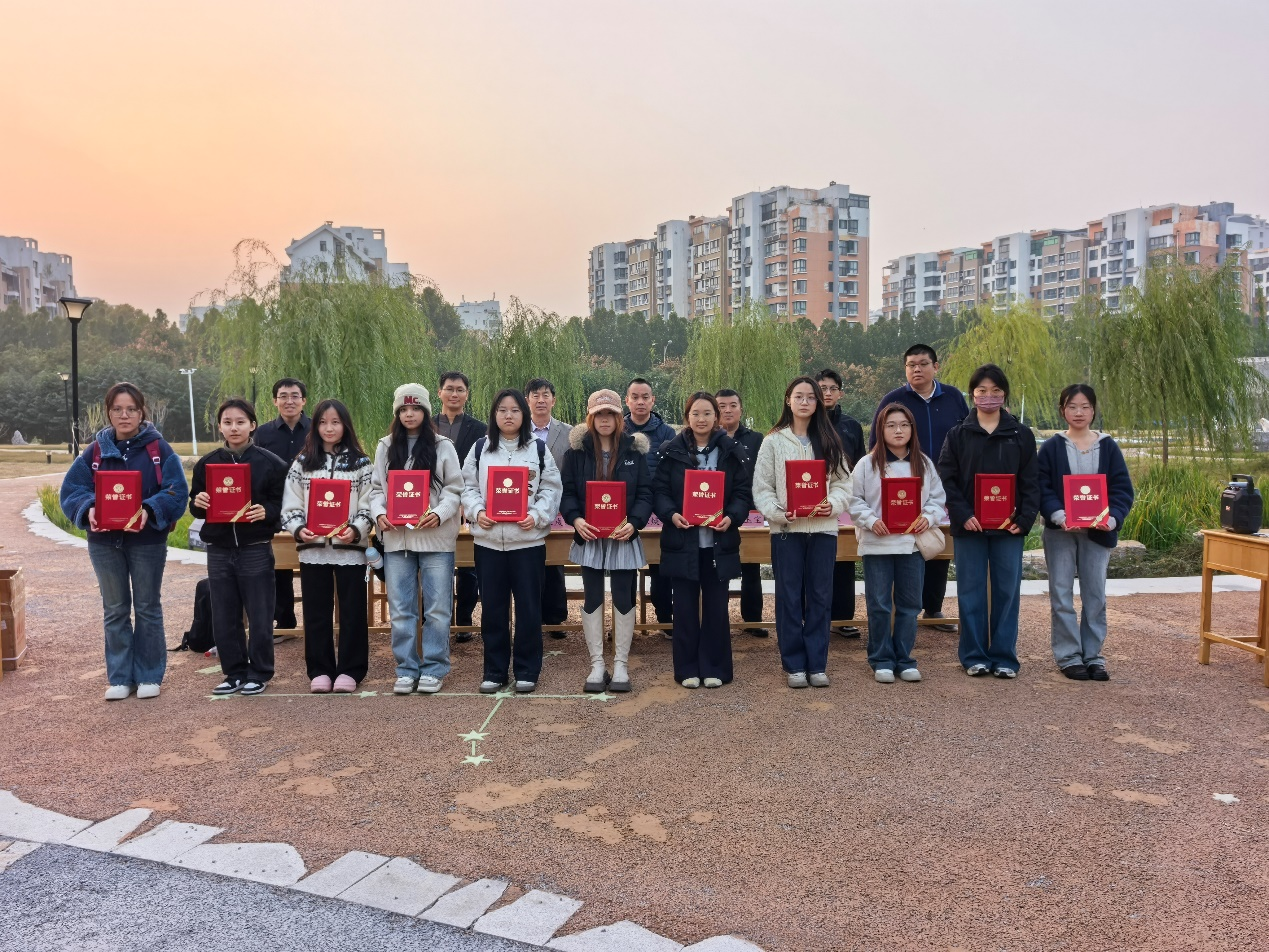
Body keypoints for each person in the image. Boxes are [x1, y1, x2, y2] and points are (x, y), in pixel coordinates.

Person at [59, 382, 188, 700]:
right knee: (115, 609)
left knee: (147, 607)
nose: (124, 415)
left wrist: (149, 509)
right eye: (117, 409)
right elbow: (72, 490)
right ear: (109, 413)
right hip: (104, 543)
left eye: (131, 409)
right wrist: (88, 508)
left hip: (147, 541)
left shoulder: (159, 450)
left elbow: (176, 490)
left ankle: (149, 675)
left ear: (141, 412)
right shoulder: (95, 451)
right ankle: (120, 677)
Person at [937, 364, 1040, 679]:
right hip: (970, 528)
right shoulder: (958, 434)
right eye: (982, 390)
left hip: (1009, 529)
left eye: (995, 391)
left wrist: (1024, 519)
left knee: (1007, 591)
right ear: (973, 394)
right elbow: (946, 479)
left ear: (1004, 394)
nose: (989, 396)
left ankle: (1005, 657)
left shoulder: (1020, 435)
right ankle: (974, 655)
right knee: (971, 591)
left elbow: (1031, 482)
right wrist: (963, 514)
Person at [461, 388, 563, 694]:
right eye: (502, 410)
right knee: (492, 609)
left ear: (524, 414)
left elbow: (551, 488)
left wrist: (537, 515)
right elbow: (466, 487)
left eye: (515, 410)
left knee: (529, 610)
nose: (508, 415)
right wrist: (477, 512)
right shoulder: (480, 449)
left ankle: (527, 670)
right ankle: (494, 671)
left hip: (527, 543)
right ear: (494, 414)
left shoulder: (538, 449)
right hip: (489, 543)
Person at [752, 378, 850, 689]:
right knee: (789, 597)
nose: (805, 402)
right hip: (787, 531)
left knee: (820, 597)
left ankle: (817, 663)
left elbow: (843, 484)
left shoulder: (830, 440)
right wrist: (779, 512)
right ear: (788, 400)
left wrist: (833, 504)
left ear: (819, 402)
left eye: (811, 397)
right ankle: (794, 663)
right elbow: (762, 488)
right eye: (799, 396)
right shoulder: (773, 442)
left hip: (823, 530)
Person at [653, 391, 753, 689]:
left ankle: (715, 668)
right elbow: (659, 491)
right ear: (687, 417)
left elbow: (742, 492)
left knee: (716, 608)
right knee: (684, 609)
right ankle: (686, 669)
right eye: (695, 413)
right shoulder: (671, 450)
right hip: (682, 541)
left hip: (718, 542)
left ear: (716, 417)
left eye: (707, 413)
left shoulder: (731, 451)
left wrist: (732, 517)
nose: (701, 419)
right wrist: (671, 514)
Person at [189, 398, 289, 696]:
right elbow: (195, 504)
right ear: (220, 427)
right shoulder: (207, 463)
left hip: (254, 546)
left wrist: (267, 511)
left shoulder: (271, 463)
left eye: (240, 422)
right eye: (228, 422)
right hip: (219, 549)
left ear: (252, 426)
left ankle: (259, 672)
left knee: (260, 614)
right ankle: (234, 672)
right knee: (224, 614)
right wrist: (198, 502)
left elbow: (283, 505)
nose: (234, 428)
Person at [369, 384, 464, 695]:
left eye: (415, 408)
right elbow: (376, 490)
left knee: (437, 608)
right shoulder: (385, 446)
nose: (409, 414)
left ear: (425, 411)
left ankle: (434, 667)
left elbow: (455, 488)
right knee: (401, 608)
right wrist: (379, 514)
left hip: (435, 539)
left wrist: (440, 512)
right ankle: (406, 668)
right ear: (397, 413)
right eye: (403, 409)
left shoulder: (443, 446)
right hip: (398, 540)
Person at [1038, 384, 1135, 681]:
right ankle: (1069, 657)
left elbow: (1122, 489)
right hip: (1061, 532)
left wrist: (1113, 518)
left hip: (1097, 533)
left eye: (1084, 407)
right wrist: (1059, 515)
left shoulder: (1107, 446)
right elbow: (1041, 487)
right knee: (1061, 594)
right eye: (1071, 406)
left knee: (1095, 595)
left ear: (1093, 411)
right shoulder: (1052, 446)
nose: (1078, 412)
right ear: (1062, 411)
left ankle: (1093, 656)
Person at [869, 345, 968, 633]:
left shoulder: (953, 398)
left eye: (923, 363)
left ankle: (933, 607)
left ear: (936, 366)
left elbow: (965, 437)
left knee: (935, 540)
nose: (917, 369)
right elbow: (876, 442)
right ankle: (902, 607)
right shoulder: (893, 400)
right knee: (906, 542)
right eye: (911, 364)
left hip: (946, 482)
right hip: (902, 484)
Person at [560, 389, 654, 693]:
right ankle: (597, 664)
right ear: (590, 417)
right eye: (598, 414)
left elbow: (645, 494)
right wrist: (576, 519)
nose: (604, 420)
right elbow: (567, 492)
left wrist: (634, 523)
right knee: (592, 598)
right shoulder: (575, 453)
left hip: (623, 536)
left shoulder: (634, 451)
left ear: (618, 417)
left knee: (624, 598)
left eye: (610, 414)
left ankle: (621, 663)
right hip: (589, 536)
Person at [280, 399, 375, 693]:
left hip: (350, 550)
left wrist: (355, 529)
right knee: (316, 611)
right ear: (315, 425)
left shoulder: (361, 463)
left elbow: (369, 503)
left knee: (352, 611)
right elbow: (291, 503)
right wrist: (299, 528)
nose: (329, 428)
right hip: (313, 549)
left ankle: (350, 670)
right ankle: (320, 669)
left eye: (335, 422)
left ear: (345, 425)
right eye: (322, 422)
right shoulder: (303, 462)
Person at [849, 403, 947, 684]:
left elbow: (937, 499)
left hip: (911, 544)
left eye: (904, 425)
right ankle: (881, 658)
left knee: (910, 604)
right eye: (891, 425)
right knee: (879, 604)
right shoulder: (867, 464)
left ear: (912, 429)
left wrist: (928, 517)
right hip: (877, 544)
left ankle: (904, 659)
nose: (898, 430)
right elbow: (853, 499)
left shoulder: (923, 464)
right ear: (880, 430)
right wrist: (870, 520)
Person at [254, 378, 310, 634]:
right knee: (279, 566)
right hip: (276, 506)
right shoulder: (262, 433)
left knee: (313, 565)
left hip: (311, 507)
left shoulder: (316, 429)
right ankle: (285, 619)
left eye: (295, 396)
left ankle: (316, 620)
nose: (289, 401)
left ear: (303, 400)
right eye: (283, 396)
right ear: (275, 401)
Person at [436, 371, 487, 639]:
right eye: (449, 389)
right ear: (439, 393)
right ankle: (437, 621)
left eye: (459, 390)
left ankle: (464, 619)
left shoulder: (480, 429)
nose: (454, 394)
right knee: (437, 565)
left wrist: (469, 503)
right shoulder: (427, 426)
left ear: (467, 394)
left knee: (468, 567)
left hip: (467, 503)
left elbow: (481, 469)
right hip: (433, 504)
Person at [814, 368, 865, 638]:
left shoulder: (851, 426)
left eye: (832, 388)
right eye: (822, 388)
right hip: (810, 499)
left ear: (840, 393)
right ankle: (813, 617)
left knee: (843, 560)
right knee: (814, 561)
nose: (827, 393)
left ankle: (843, 617)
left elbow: (861, 463)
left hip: (844, 500)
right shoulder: (805, 423)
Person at [623, 377, 677, 631]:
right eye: (635, 397)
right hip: (626, 507)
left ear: (653, 400)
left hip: (658, 508)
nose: (640, 402)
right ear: (627, 401)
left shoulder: (667, 433)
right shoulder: (618, 430)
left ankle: (665, 617)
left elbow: (671, 473)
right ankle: (626, 623)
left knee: (660, 565)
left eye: (645, 397)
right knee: (625, 565)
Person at [716, 388, 765, 637]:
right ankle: (718, 618)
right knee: (718, 566)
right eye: (722, 406)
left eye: (732, 405)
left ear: (741, 409)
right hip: (715, 511)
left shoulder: (756, 439)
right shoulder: (707, 440)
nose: (727, 410)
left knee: (751, 565)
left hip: (749, 510)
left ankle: (753, 619)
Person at [525, 377, 572, 637]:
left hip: (559, 508)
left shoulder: (569, 433)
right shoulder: (517, 430)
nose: (541, 400)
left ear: (553, 400)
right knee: (529, 562)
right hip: (524, 507)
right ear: (527, 401)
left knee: (554, 563)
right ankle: (530, 617)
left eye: (546, 395)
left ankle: (554, 618)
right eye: (535, 395)